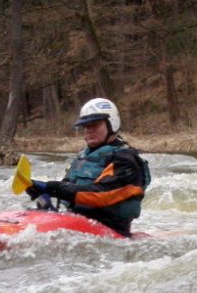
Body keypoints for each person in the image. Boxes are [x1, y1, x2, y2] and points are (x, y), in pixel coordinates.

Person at [26, 98, 151, 237]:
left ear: (112, 124)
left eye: (95, 125)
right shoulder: (84, 156)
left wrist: (52, 188)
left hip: (110, 232)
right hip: (78, 225)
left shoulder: (126, 161)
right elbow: (68, 190)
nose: (89, 131)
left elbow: (101, 194)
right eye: (86, 126)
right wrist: (44, 198)